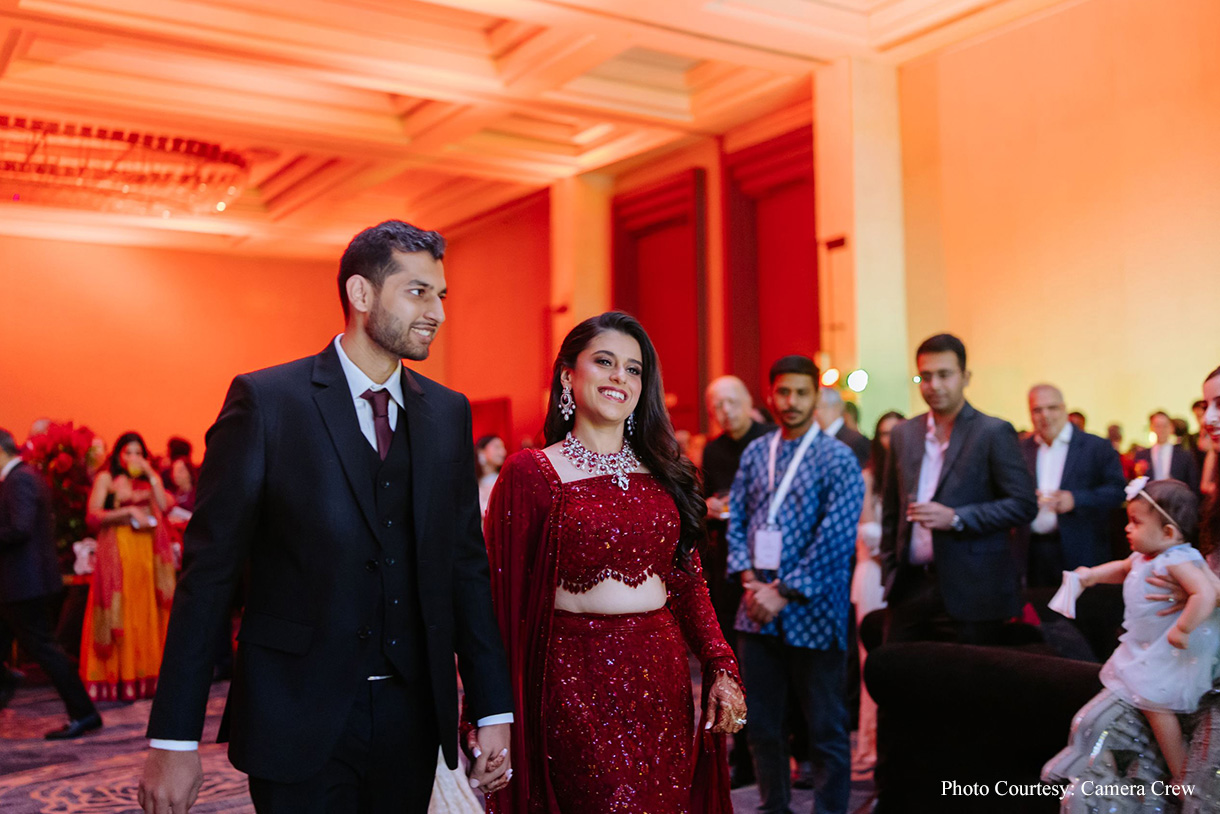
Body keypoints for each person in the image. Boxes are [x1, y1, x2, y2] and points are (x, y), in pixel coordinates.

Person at [139, 220, 513, 814]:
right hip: (295, 713)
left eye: (441, 295)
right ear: (361, 294)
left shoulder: (448, 413)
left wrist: (492, 708)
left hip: (413, 719)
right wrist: (173, 738)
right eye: (418, 292)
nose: (438, 313)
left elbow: (466, 568)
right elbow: (208, 575)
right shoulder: (267, 402)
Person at [482, 311, 746, 814]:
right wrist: (488, 713)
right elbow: (498, 603)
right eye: (604, 362)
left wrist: (720, 663)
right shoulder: (532, 473)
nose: (619, 377)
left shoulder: (667, 473)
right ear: (568, 375)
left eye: (633, 369)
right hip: (574, 681)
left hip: (662, 679)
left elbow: (687, 582)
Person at [727, 355, 865, 814]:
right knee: (762, 726)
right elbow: (737, 518)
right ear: (770, 396)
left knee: (825, 728)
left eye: (801, 393)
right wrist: (748, 577)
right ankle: (774, 806)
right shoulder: (756, 453)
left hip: (814, 611)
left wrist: (782, 591)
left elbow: (837, 537)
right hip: (755, 610)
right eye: (783, 392)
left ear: (817, 397)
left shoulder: (837, 458)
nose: (791, 401)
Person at [880, 333, 1037, 645]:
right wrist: (891, 570)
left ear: (965, 377)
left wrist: (956, 517)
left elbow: (1023, 504)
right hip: (911, 586)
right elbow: (891, 510)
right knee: (896, 668)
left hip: (973, 588)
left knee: (966, 674)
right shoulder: (904, 434)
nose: (934, 385)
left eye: (944, 375)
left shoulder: (992, 431)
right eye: (925, 376)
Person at [1061, 479, 1217, 779]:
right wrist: (1091, 576)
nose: (1127, 528)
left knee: (1156, 706)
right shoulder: (1145, 557)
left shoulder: (1178, 560)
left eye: (1136, 522)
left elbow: (1205, 593)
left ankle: (1181, 772)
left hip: (1170, 650)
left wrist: (1183, 629)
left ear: (1168, 533)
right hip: (1147, 644)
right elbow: (1122, 568)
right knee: (1140, 695)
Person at [0, 428, 102, 738]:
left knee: (45, 649)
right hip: (20, 582)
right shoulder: (22, 477)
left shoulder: (19, 479)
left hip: (23, 582)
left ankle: (84, 712)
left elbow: (20, 528)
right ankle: (7, 680)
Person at [701, 374, 771, 787]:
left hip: (769, 568)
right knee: (735, 666)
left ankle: (788, 755)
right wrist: (708, 506)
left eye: (731, 402)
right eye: (717, 407)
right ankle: (742, 760)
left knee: (772, 669)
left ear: (747, 401)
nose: (725, 412)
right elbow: (706, 499)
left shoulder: (769, 440)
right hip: (727, 565)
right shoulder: (713, 449)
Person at [81, 431, 176, 701]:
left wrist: (152, 474)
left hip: (147, 556)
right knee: (122, 611)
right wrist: (126, 512)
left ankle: (147, 677)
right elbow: (93, 515)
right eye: (128, 452)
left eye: (139, 453)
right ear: (118, 455)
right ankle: (119, 677)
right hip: (119, 552)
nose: (133, 458)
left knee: (145, 611)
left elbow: (164, 506)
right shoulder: (107, 478)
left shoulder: (148, 480)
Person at [1020, 384, 1126, 585]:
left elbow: (1117, 491)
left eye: (1052, 408)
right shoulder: (1021, 449)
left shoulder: (1096, 446)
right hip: (1032, 554)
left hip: (1080, 550)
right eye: (1037, 410)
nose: (1045, 415)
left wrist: (1076, 499)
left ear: (1064, 408)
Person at [851, 409, 903, 770]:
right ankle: (870, 746)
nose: (892, 439)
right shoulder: (868, 478)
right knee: (871, 661)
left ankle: (897, 748)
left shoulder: (914, 476)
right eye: (885, 433)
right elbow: (868, 533)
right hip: (873, 574)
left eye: (898, 432)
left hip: (905, 575)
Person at [1134, 411, 1200, 493]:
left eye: (1164, 426)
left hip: (1176, 496)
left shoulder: (1184, 454)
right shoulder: (1142, 455)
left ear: (1171, 428)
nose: (1161, 430)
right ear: (1151, 427)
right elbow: (1137, 482)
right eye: (1157, 426)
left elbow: (1193, 483)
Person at [815, 387, 870, 468]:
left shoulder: (856, 441)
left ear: (834, 408)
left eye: (817, 408)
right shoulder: (818, 439)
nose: (814, 414)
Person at [474, 435, 507, 516]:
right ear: (481, 451)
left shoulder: (504, 481)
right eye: (497, 447)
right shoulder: (473, 481)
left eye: (503, 448)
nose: (503, 452)